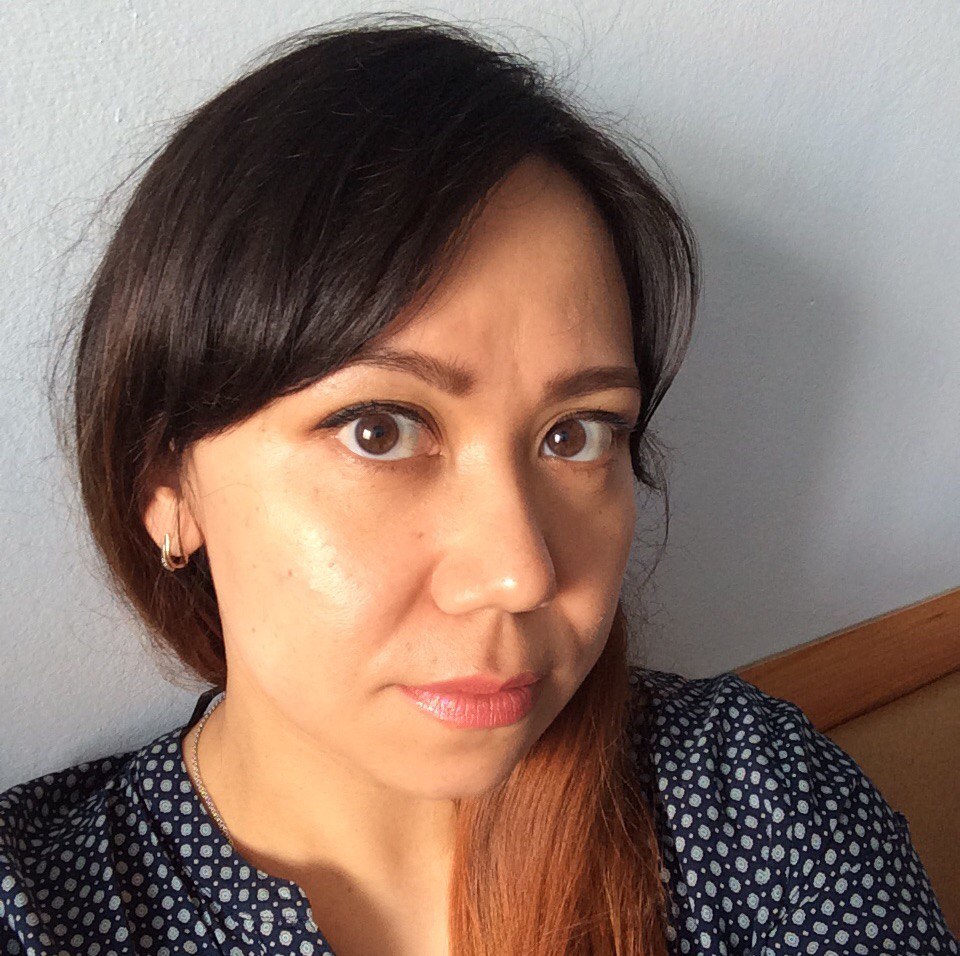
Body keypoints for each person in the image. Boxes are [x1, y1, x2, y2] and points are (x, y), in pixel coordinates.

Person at [1, 13, 956, 956]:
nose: (521, 574)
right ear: (165, 486)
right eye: (380, 430)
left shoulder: (752, 811)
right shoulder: (41, 912)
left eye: (576, 434)